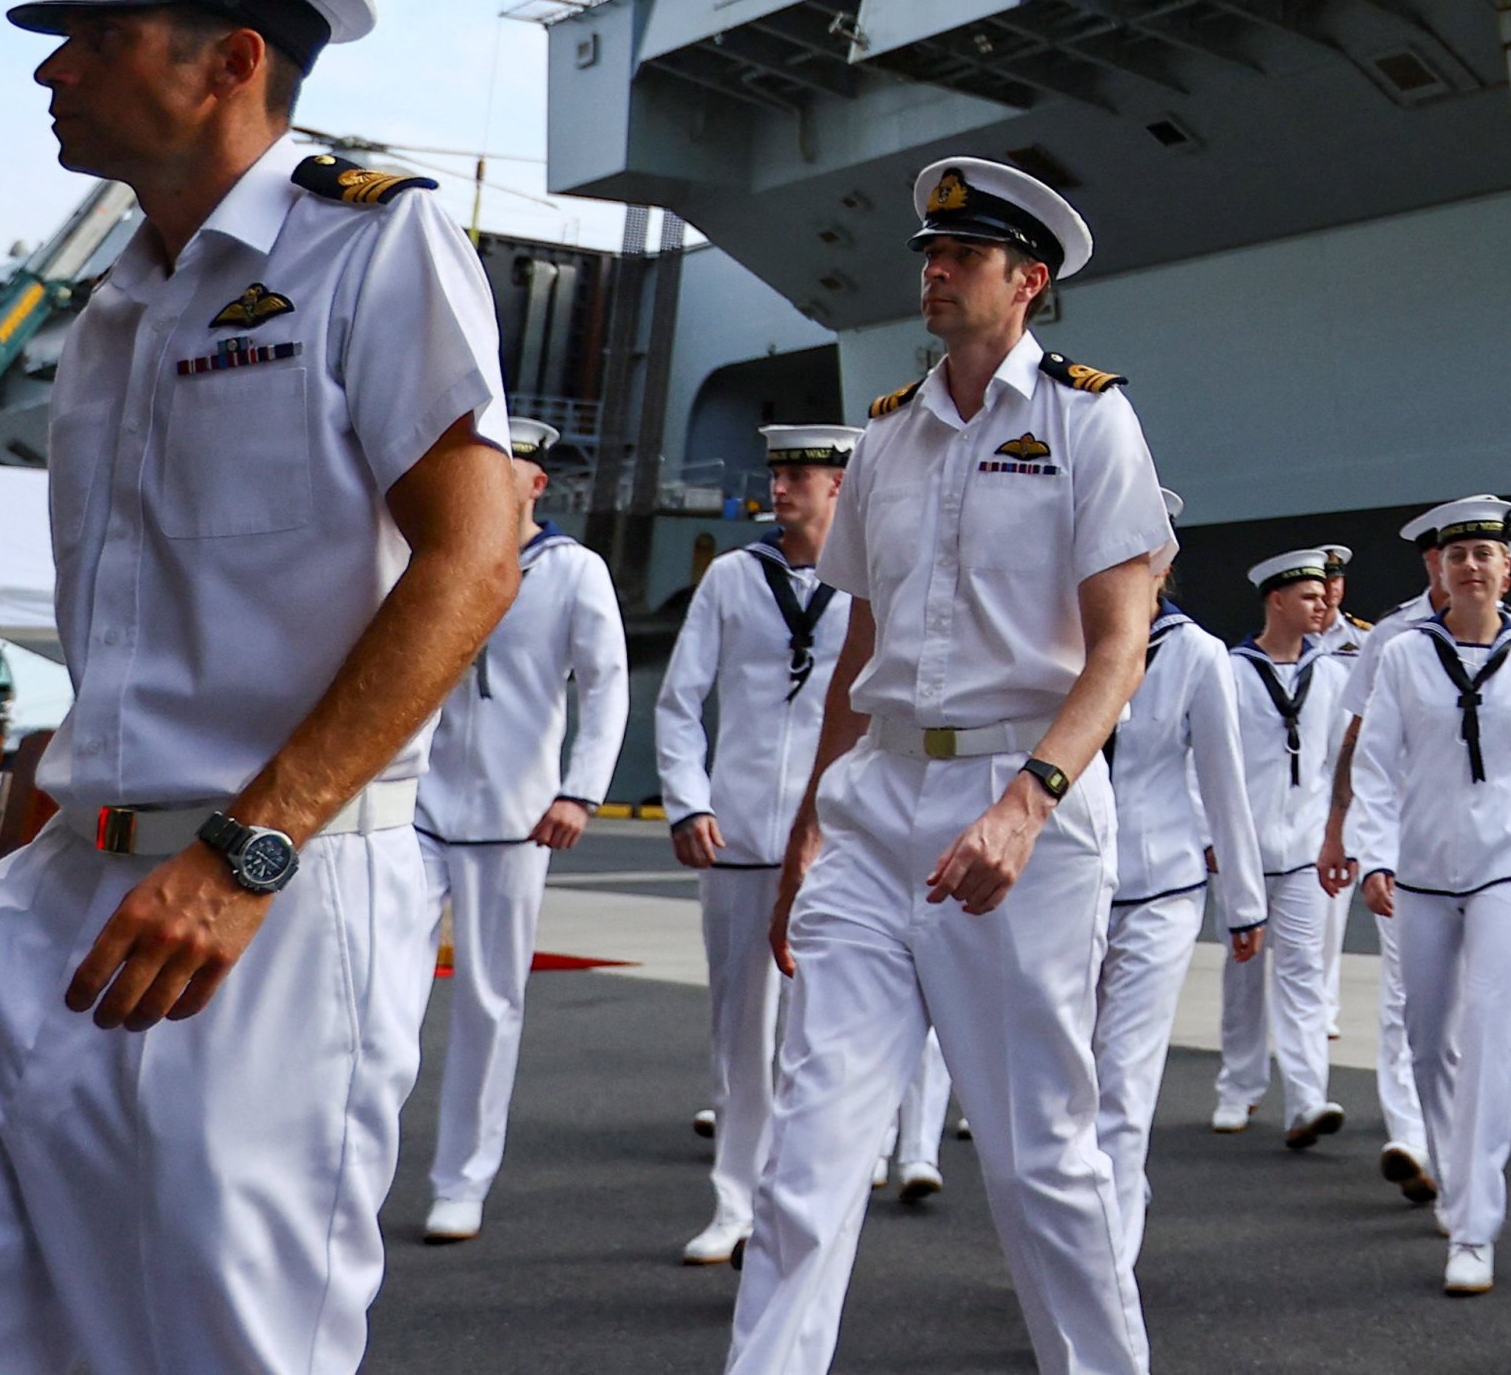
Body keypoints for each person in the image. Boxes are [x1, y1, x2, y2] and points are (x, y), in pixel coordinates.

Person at [0, 0, 518, 1375]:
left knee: (221, 1347)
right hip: (61, 885)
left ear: (229, 61)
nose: (53, 66)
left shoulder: (368, 248)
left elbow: (472, 560)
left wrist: (249, 850)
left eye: (95, 33)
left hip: (260, 908)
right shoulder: (115, 307)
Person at [722, 156, 1173, 1375]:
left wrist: (1029, 807)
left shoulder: (1089, 419)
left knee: (1043, 1165)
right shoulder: (888, 437)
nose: (935, 269)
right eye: (929, 252)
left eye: (963, 256)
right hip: (875, 816)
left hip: (1018, 811)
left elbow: (1121, 644)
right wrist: (812, 822)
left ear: (1027, 282)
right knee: (808, 1160)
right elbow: (860, 644)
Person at [1350, 495, 1511, 1297]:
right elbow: (1374, 762)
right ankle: (1451, 1175)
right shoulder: (1404, 657)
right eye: (1457, 557)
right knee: (1425, 1038)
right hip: (1418, 872)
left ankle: (1476, 1225)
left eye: (1485, 554)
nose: (1471, 567)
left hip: (1504, 874)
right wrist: (1370, 852)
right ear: (1439, 573)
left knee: (1488, 1034)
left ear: (1507, 569)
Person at [413, 443, 631, 1244]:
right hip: (420, 808)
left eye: (503, 465)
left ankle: (462, 1178)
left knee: (488, 1001)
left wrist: (581, 790)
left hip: (515, 815)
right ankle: (349, 1161)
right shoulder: (432, 553)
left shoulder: (574, 571)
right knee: (379, 991)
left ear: (535, 482)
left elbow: (606, 684)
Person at [655, 421, 859, 1265]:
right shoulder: (733, 579)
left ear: (839, 488)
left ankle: (807, 1202)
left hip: (841, 844)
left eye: (800, 475)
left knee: (827, 1035)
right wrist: (686, 803)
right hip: (738, 836)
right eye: (777, 472)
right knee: (741, 1036)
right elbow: (678, 700)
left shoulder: (873, 579)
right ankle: (733, 1204)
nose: (779, 488)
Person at [1092, 513, 1266, 1282]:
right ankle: (1103, 1204)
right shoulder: (1062, 640)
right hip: (1069, 888)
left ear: (1164, 565)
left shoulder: (1195, 655)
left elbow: (1226, 783)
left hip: (1162, 890)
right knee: (1069, 1084)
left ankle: (1105, 1265)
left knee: (1124, 1083)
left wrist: (1246, 902)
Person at [1321, 532, 1450, 1209]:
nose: (1455, 565)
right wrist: (1340, 830)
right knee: (1405, 994)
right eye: (1442, 554)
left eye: (1472, 553)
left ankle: (1457, 1137)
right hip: (1400, 843)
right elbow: (1357, 740)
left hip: (1479, 852)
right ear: (1430, 562)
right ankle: (1410, 1137)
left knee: (1466, 1007)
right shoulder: (1392, 637)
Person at [1216, 545, 1350, 1145]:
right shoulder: (1232, 672)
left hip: (1301, 851)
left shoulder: (1331, 674)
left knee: (1301, 970)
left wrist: (1335, 835)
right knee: (1244, 971)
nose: (1322, 603)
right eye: (1308, 595)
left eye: (1324, 594)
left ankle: (1307, 1098)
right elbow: (1209, 761)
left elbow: (1335, 769)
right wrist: (1209, 836)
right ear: (1276, 599)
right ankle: (1238, 1088)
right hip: (1242, 847)